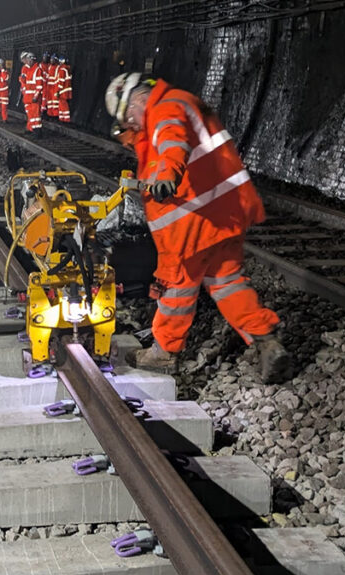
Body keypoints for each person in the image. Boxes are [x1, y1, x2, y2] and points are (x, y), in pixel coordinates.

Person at [103, 72, 289, 383]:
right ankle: (267, 340)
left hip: (192, 220)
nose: (132, 123)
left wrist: (167, 173)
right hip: (222, 215)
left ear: (135, 98)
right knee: (227, 282)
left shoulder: (164, 108)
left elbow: (172, 140)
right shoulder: (182, 102)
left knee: (176, 284)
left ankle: (163, 352)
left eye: (129, 116)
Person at [21, 52, 43, 136]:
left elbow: (39, 85)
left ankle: (38, 132)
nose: (28, 62)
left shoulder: (37, 70)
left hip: (34, 98)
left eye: (30, 60)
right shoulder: (27, 70)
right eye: (27, 60)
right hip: (27, 97)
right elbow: (24, 82)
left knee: (36, 115)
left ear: (33, 60)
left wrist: (36, 96)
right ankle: (32, 129)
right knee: (30, 114)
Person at [56, 56, 72, 123]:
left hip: (63, 90)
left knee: (63, 104)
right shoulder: (66, 69)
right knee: (62, 104)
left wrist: (58, 91)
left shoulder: (62, 69)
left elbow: (61, 81)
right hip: (66, 89)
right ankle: (62, 118)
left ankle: (66, 119)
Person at [45, 55, 61, 120]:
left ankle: (55, 115)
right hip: (49, 86)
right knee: (49, 101)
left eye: (53, 59)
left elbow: (58, 79)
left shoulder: (57, 68)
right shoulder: (49, 67)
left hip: (54, 87)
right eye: (51, 59)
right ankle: (50, 114)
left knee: (55, 102)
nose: (51, 60)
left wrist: (57, 89)